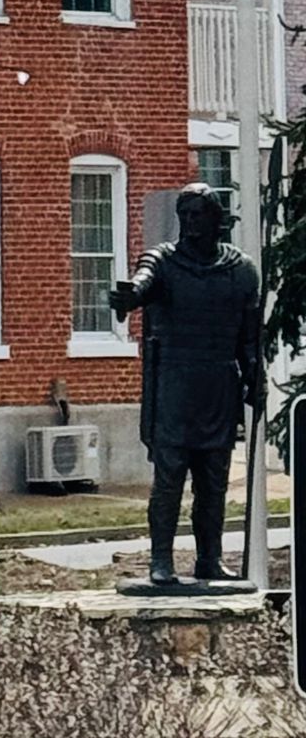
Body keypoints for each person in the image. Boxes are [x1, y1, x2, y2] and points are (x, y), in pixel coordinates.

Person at [108, 182, 261, 587]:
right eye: (185, 216)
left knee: (213, 482)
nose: (191, 224)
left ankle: (209, 558)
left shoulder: (241, 271)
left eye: (199, 215)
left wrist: (255, 379)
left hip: (217, 387)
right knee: (169, 479)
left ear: (218, 221)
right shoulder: (164, 261)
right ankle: (162, 560)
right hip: (174, 388)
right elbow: (142, 282)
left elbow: (248, 339)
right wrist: (129, 297)